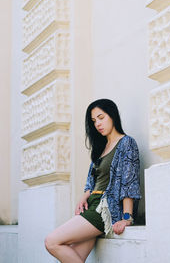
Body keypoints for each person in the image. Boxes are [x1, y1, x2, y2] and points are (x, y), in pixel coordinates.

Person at [45, 98, 141, 263]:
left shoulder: (127, 143)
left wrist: (127, 217)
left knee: (52, 242)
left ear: (113, 116)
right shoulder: (102, 147)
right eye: (94, 121)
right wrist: (85, 195)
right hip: (93, 204)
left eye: (101, 117)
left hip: (105, 209)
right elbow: (93, 179)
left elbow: (128, 182)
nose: (98, 124)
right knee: (76, 257)